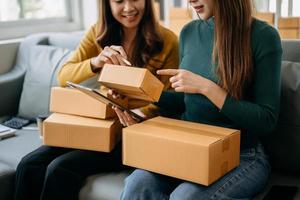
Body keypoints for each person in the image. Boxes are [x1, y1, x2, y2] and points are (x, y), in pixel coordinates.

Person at [14, 0, 179, 199]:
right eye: (119, 1)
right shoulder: (98, 33)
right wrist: (96, 61)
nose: (128, 8)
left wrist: (139, 112)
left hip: (135, 134)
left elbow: (173, 101)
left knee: (60, 169)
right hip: (102, 124)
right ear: (107, 5)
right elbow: (63, 75)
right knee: (29, 164)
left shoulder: (168, 41)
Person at [120, 0, 282, 199]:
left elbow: (267, 120)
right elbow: (186, 101)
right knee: (137, 184)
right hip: (191, 147)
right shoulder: (189, 33)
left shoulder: (264, 36)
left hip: (242, 154)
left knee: (185, 197)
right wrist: (142, 92)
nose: (190, 1)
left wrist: (208, 88)